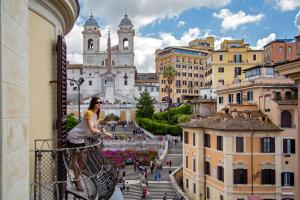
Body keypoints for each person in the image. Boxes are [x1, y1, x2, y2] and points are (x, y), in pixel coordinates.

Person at [67, 97, 112, 191]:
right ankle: (77, 179)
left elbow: (94, 129)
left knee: (83, 157)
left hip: (81, 138)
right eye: (97, 102)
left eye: (100, 102)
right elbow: (92, 129)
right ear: (93, 103)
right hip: (74, 136)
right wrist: (104, 133)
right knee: (75, 157)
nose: (99, 104)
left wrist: (101, 130)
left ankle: (76, 177)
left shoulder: (96, 115)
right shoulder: (88, 112)